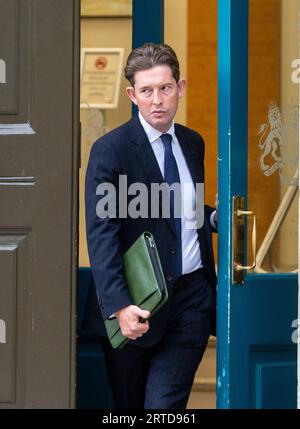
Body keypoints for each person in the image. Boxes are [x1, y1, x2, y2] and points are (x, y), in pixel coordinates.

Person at [84, 43, 217, 409]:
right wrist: (119, 305)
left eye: (165, 88)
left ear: (181, 87)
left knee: (164, 406)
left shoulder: (192, 143)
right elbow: (102, 231)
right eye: (146, 91)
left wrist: (212, 218)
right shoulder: (111, 150)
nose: (157, 99)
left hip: (190, 301)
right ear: (132, 95)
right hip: (135, 304)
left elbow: (177, 210)